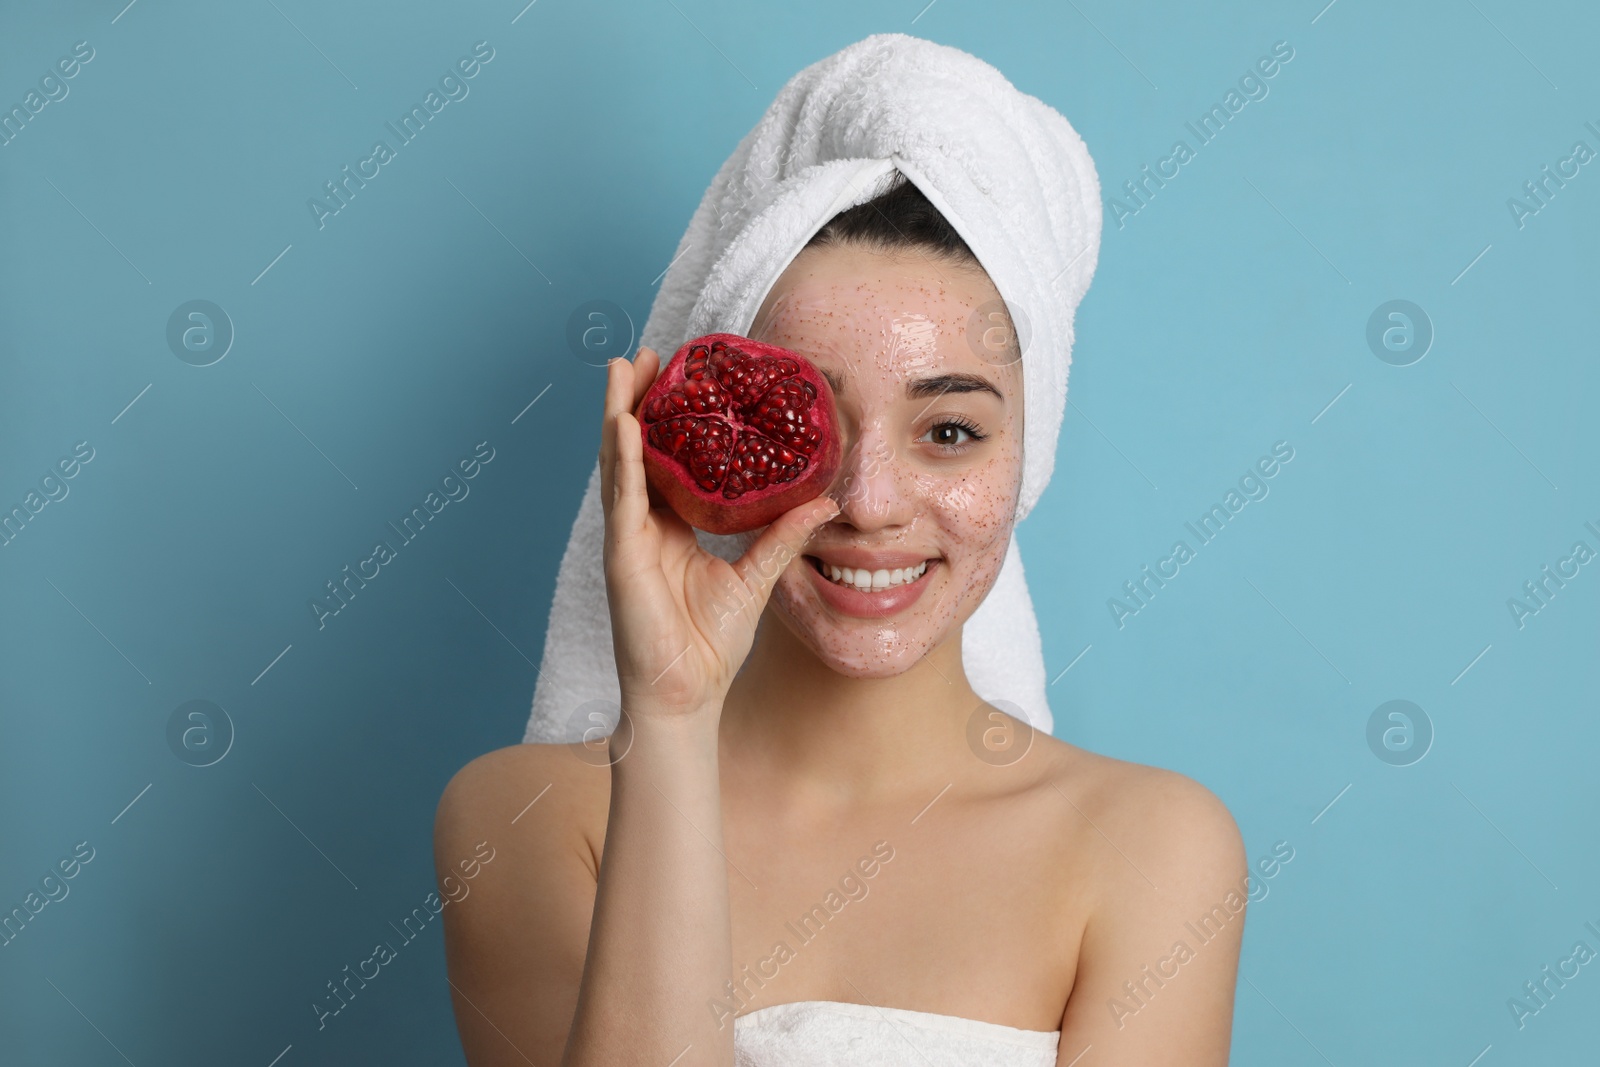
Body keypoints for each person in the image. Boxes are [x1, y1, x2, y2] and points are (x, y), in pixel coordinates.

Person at [434, 164, 1247, 1066]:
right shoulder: (524, 819)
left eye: (948, 431)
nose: (869, 502)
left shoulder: (1154, 846)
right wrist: (668, 717)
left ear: (1029, 457)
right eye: (812, 419)